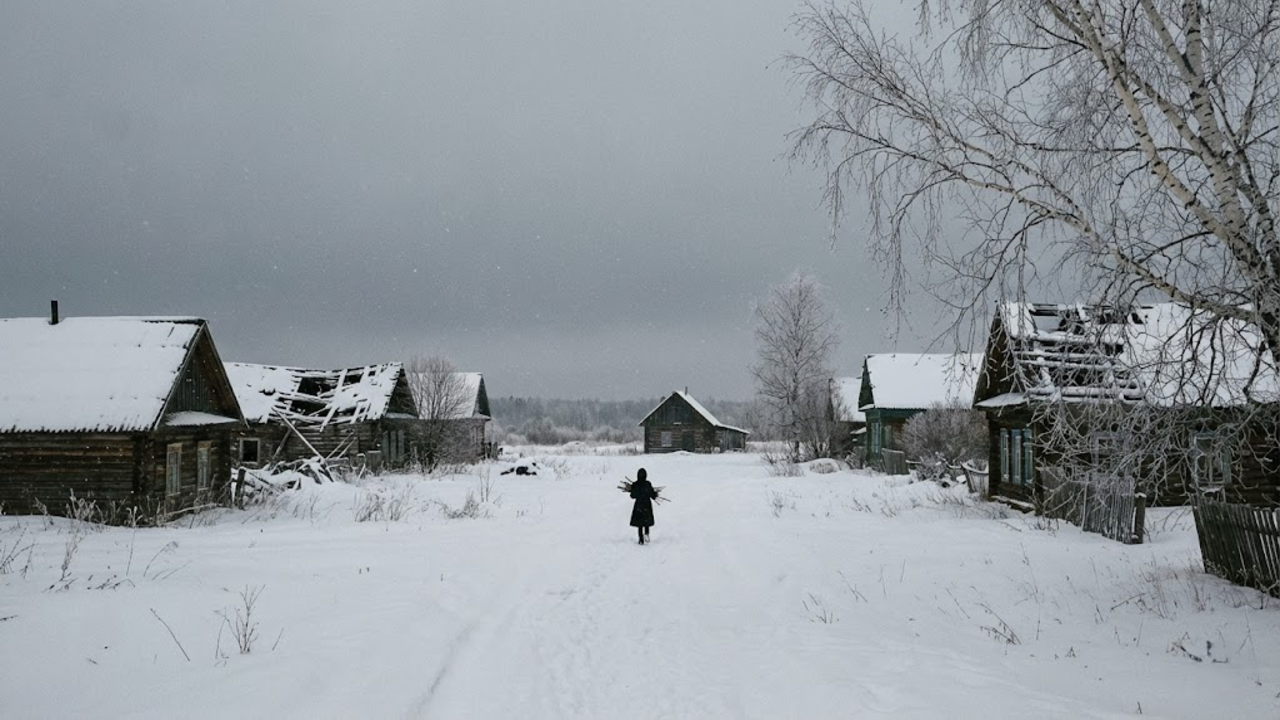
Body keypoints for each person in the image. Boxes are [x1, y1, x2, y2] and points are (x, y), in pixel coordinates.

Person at [629, 467, 658, 544]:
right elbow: (652, 495)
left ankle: (641, 538)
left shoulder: (635, 484)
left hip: (638, 505)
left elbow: (632, 496)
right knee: (646, 521)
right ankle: (647, 534)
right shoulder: (647, 484)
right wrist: (655, 494)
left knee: (640, 523)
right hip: (647, 505)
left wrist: (633, 490)